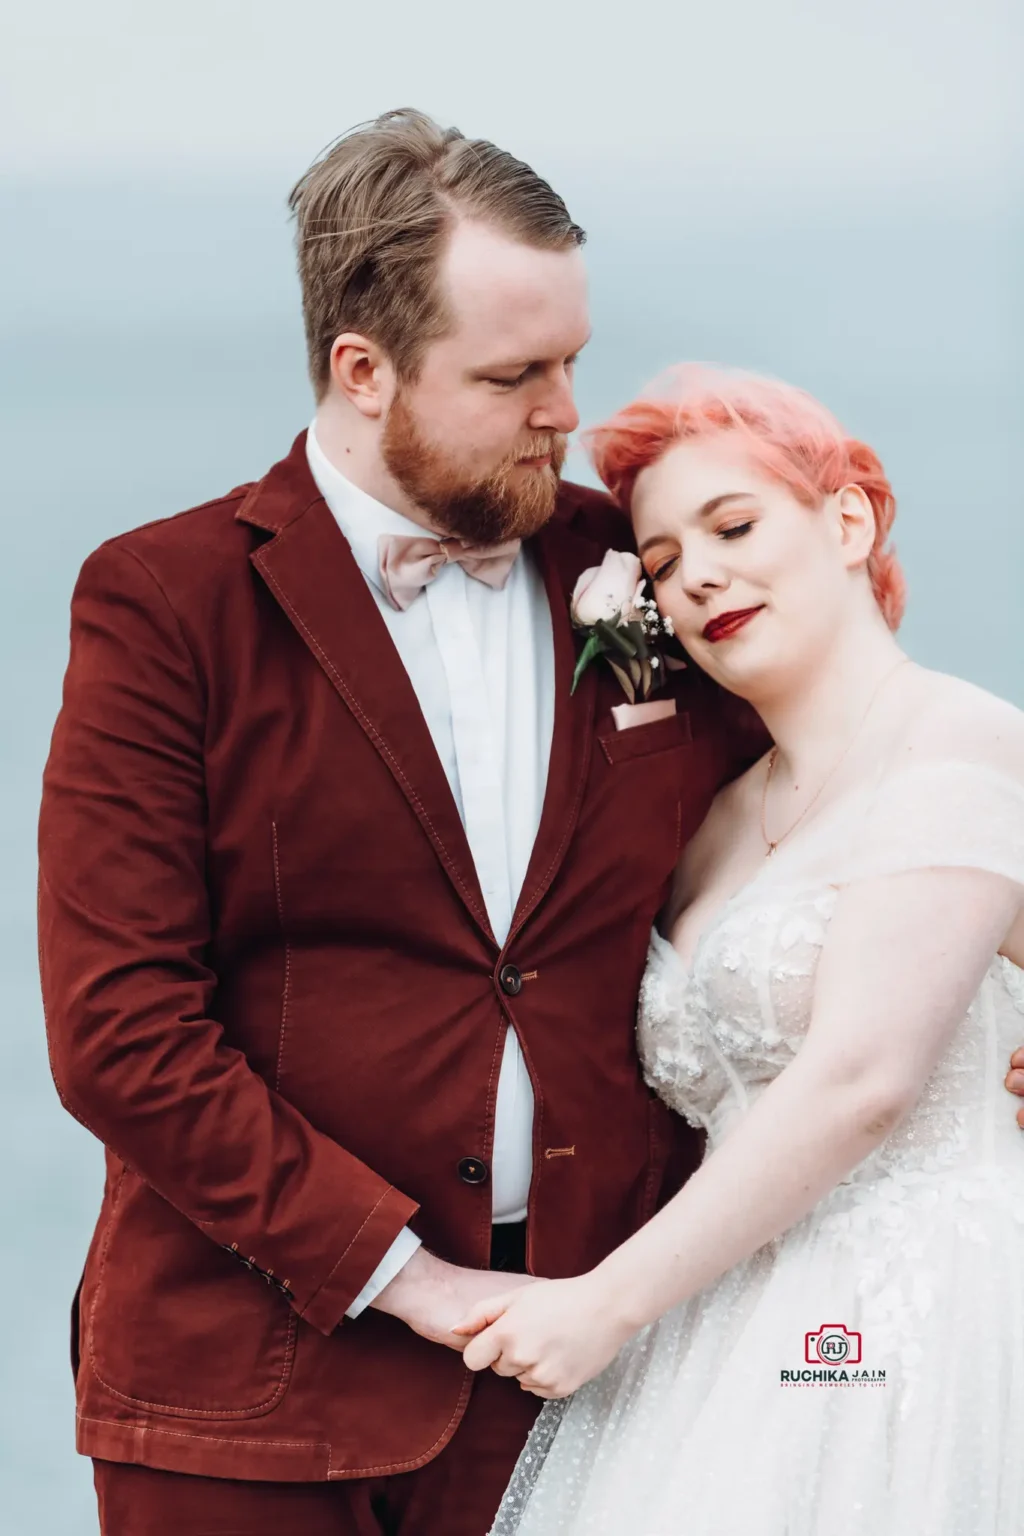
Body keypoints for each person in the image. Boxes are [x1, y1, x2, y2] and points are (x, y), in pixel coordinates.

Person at [37, 114, 766, 1536]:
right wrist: (412, 1279)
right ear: (360, 372)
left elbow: (822, 800)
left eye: (572, 359)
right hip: (241, 1401)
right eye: (514, 377)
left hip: (593, 1382)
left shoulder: (628, 580)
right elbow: (119, 1033)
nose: (570, 413)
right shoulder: (165, 606)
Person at [454, 367, 1024, 1535]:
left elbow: (863, 1080)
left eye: (733, 525)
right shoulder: (710, 823)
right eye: (661, 562)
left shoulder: (956, 740)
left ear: (850, 520)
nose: (697, 572)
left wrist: (603, 1305)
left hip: (926, 1321)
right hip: (720, 1331)